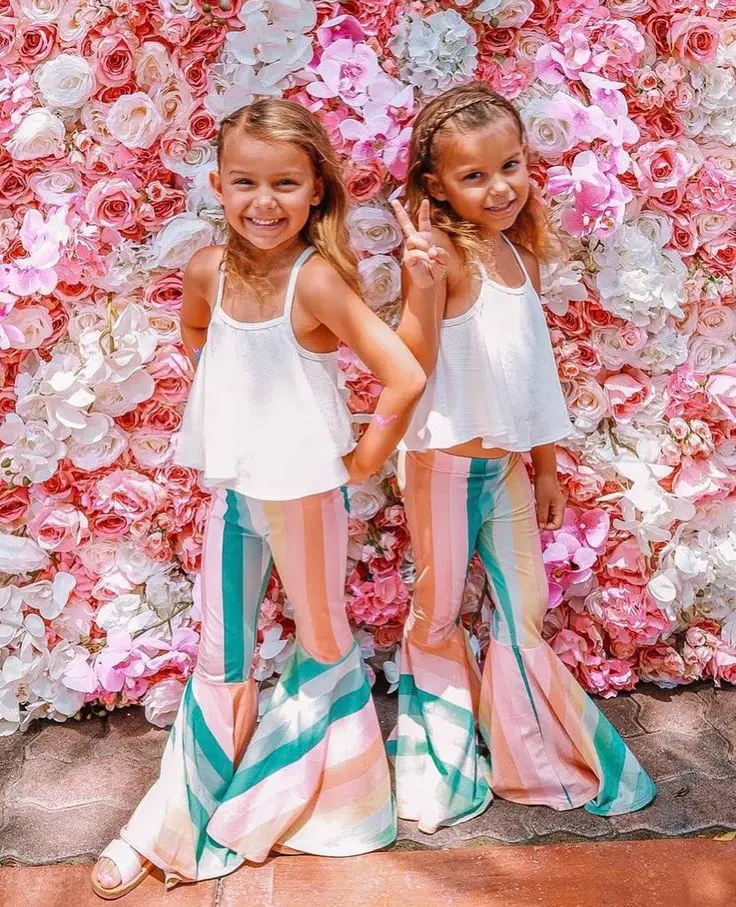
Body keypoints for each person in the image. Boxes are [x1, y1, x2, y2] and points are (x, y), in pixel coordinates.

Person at [92, 98, 425, 899]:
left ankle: (337, 805)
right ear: (217, 184)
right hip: (233, 491)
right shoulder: (207, 268)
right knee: (220, 655)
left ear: (316, 191)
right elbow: (199, 340)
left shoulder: (315, 281)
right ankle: (169, 826)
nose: (263, 201)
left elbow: (404, 374)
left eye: (285, 183)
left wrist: (358, 459)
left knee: (321, 640)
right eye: (245, 182)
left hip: (306, 499)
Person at [388, 82, 656, 835]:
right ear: (436, 187)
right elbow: (412, 364)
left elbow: (533, 376)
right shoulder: (440, 257)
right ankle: (437, 766)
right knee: (438, 612)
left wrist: (544, 467)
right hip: (442, 464)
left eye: (510, 165)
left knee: (522, 608)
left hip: (504, 468)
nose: (500, 186)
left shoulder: (515, 253)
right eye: (474, 176)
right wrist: (418, 283)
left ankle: (531, 755)